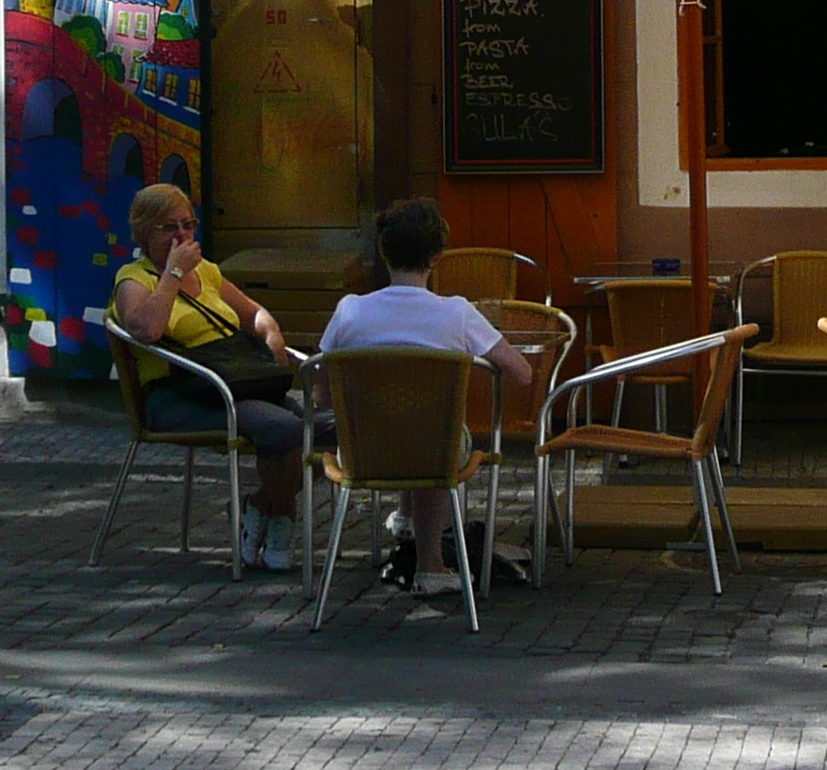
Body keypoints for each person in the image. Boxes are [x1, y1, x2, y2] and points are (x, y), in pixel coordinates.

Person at [316, 198, 534, 599]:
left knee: (401, 419)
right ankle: (431, 563)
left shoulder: (350, 311)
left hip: (364, 450)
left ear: (383, 253)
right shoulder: (457, 313)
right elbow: (522, 373)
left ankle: (404, 519)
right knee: (437, 431)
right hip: (434, 450)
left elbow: (321, 394)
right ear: (437, 257)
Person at [109, 184, 312, 573]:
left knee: (317, 431)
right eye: (169, 228)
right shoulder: (133, 280)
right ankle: (282, 517)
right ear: (143, 232)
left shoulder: (207, 271)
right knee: (285, 429)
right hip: (180, 393)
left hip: (235, 381)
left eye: (188, 225)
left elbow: (254, 314)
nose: (182, 236)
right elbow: (146, 330)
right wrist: (172, 274)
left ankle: (261, 506)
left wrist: (273, 336)